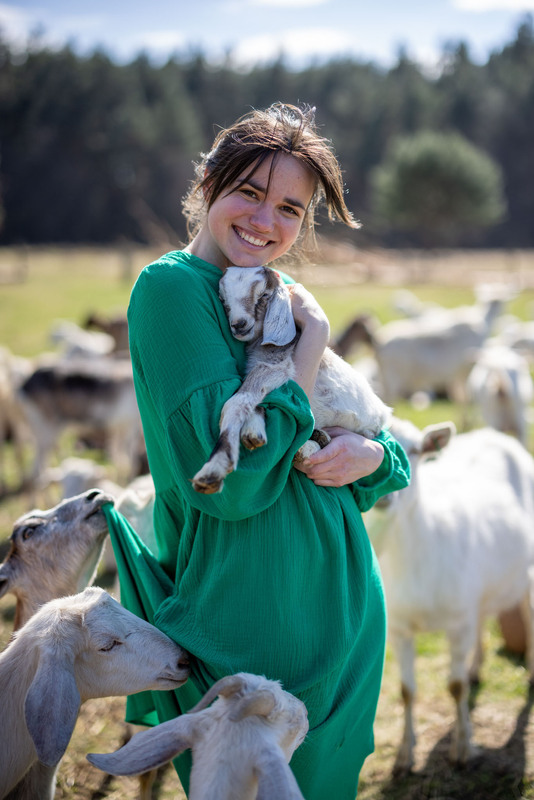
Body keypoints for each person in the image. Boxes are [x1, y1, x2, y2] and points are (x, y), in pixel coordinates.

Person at [103, 102, 410, 799]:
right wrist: (312, 342)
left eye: (290, 209)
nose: (265, 221)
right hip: (250, 622)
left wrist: (372, 455)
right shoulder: (172, 290)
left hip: (345, 620)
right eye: (249, 191)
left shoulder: (281, 292)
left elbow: (369, 440)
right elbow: (236, 487)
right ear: (207, 181)